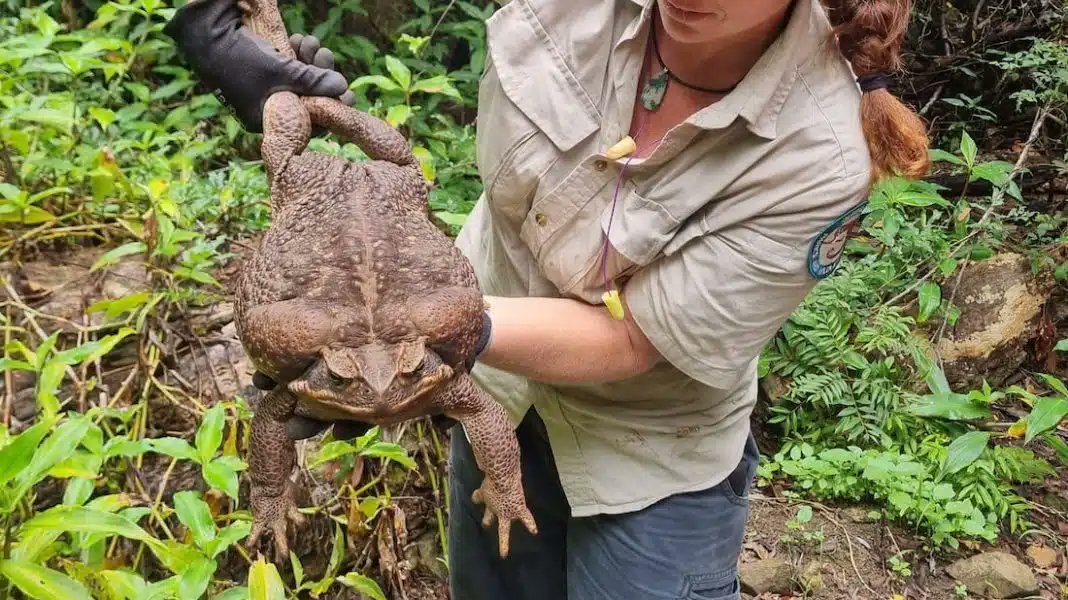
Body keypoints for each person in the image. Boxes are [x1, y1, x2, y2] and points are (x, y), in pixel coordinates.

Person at [166, 0, 928, 598]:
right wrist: (279, 89)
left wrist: (416, 338)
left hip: (642, 454)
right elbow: (386, 195)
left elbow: (634, 342)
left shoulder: (821, 153)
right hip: (488, 391)